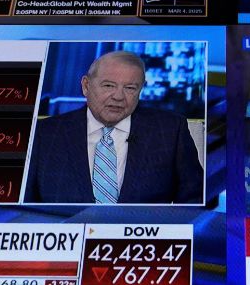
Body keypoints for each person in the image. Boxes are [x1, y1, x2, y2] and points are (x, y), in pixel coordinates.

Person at [24, 51, 203, 204]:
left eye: (130, 88)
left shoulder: (170, 131)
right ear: (86, 86)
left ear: (141, 90)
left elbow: (195, 199)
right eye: (108, 85)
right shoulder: (44, 133)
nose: (118, 96)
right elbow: (24, 204)